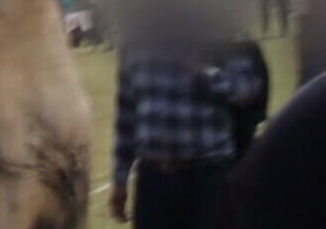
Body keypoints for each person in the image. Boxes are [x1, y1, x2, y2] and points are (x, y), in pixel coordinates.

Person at [110, 29, 268, 229]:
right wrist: (120, 178)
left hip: (209, 177)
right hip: (153, 180)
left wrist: (206, 75)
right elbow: (127, 114)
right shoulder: (134, 41)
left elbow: (248, 89)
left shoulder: (222, 30)